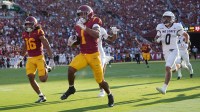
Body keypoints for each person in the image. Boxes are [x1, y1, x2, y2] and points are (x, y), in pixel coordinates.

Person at [60, 5, 114, 107]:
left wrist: (84, 27)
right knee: (71, 69)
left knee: (100, 81)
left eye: (83, 13)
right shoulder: (78, 25)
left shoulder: (95, 20)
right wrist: (73, 42)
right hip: (83, 54)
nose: (81, 16)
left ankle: (110, 95)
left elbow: (97, 34)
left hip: (94, 55)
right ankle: (71, 88)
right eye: (79, 14)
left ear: (89, 13)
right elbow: (81, 40)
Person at [14, 16, 55, 103]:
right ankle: (41, 96)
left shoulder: (39, 31)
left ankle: (46, 68)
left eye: (30, 24)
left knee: (43, 79)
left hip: (39, 57)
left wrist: (51, 58)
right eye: (27, 24)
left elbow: (46, 44)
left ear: (34, 24)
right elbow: (25, 46)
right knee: (30, 77)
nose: (28, 26)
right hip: (30, 58)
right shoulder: (24, 33)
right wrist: (21, 58)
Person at [155, 11, 189, 94]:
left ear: (172, 19)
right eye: (165, 17)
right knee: (173, 70)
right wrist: (157, 39)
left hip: (174, 50)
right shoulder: (160, 26)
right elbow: (156, 37)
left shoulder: (177, 26)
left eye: (168, 17)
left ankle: (164, 88)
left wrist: (186, 43)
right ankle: (181, 65)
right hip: (165, 51)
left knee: (167, 67)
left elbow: (186, 35)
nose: (166, 19)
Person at [97, 27, 119, 97]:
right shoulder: (85, 28)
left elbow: (111, 39)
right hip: (89, 54)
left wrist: (115, 33)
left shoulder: (101, 30)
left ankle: (103, 91)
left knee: (100, 74)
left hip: (99, 54)